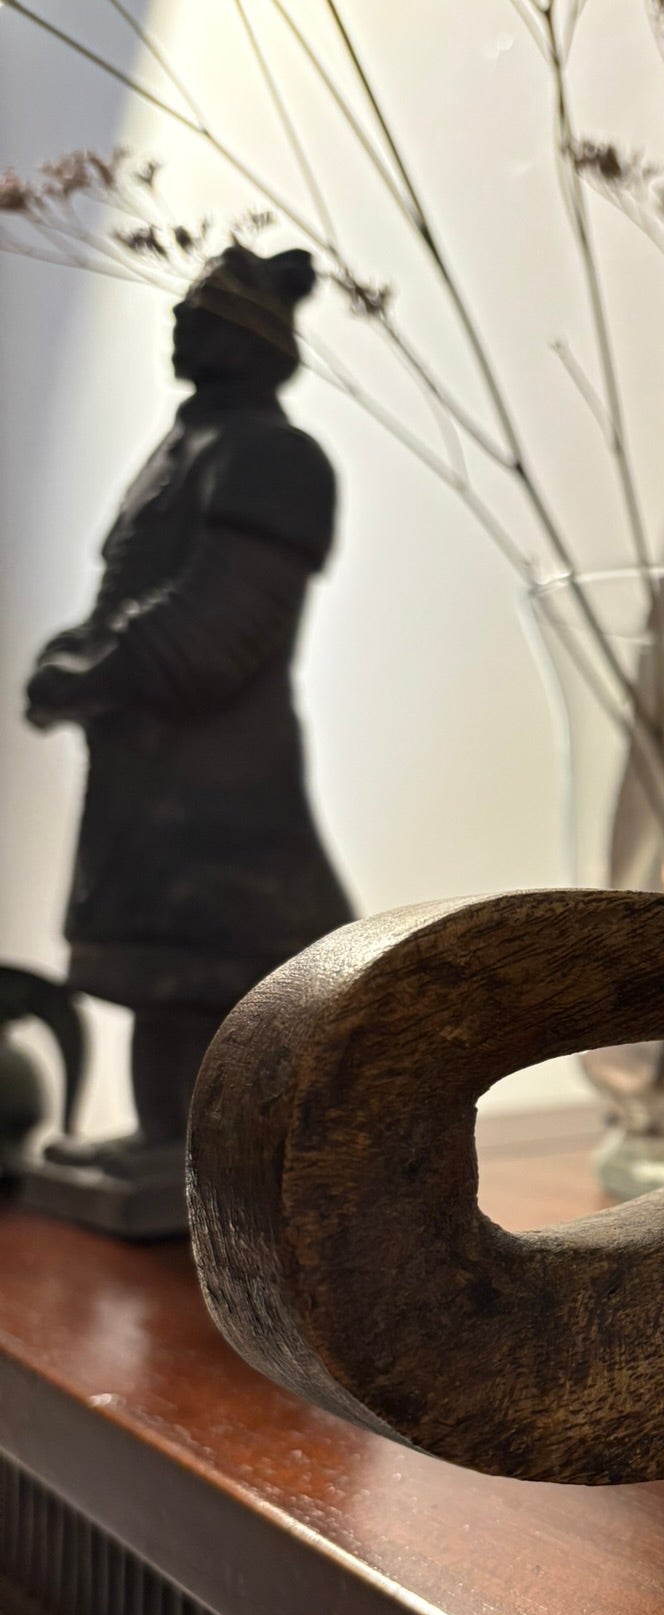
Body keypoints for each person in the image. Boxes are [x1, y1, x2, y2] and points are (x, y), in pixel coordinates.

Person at [24, 243, 352, 1204]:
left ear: (256, 343)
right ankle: (163, 1136)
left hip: (219, 772)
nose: (181, 324)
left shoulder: (273, 456)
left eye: (202, 314)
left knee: (226, 961)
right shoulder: (188, 447)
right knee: (162, 969)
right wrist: (72, 660)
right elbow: (129, 597)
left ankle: (209, 1150)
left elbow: (215, 627)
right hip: (149, 766)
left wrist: (85, 671)